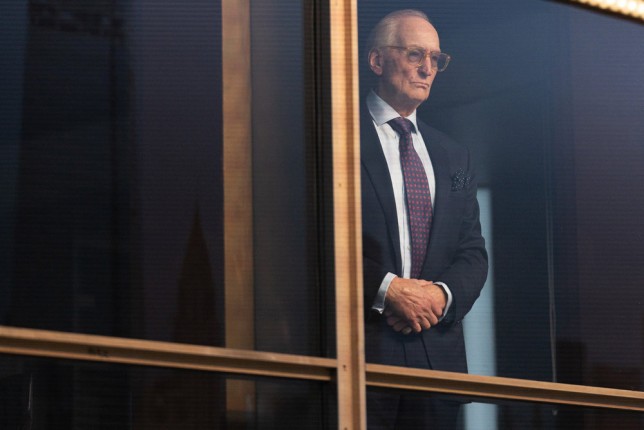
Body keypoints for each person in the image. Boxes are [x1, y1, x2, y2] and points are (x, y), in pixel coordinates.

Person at [361, 9, 488, 429]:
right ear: (377, 61)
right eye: (415, 54)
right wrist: (387, 289)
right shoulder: (337, 134)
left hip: (436, 361)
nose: (427, 68)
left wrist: (438, 297)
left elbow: (472, 253)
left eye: (436, 58)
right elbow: (310, 238)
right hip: (361, 354)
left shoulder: (455, 155)